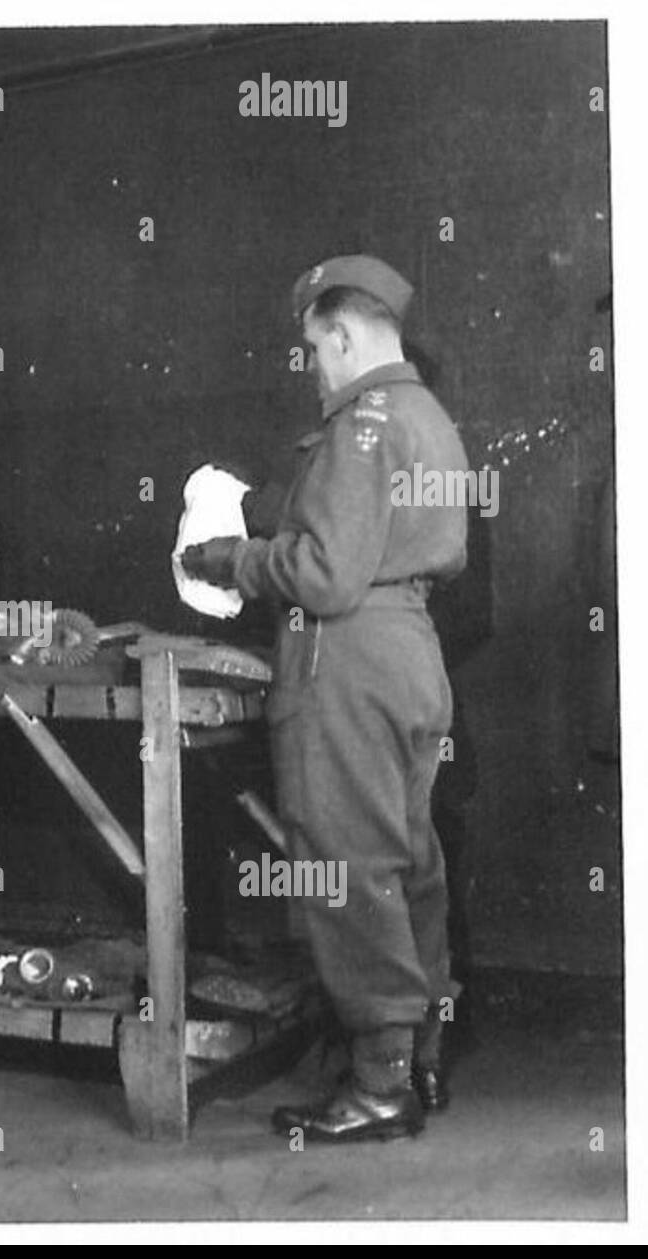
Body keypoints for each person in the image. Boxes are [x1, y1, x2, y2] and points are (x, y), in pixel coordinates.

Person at [182, 255, 469, 1143]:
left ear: (342, 337)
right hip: (414, 654)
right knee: (407, 861)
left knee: (348, 867)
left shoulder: (358, 425)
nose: (314, 367)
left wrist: (230, 559)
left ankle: (379, 1087)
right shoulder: (429, 419)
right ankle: (421, 1058)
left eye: (315, 349)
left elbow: (327, 574)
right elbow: (405, 542)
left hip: (345, 661)